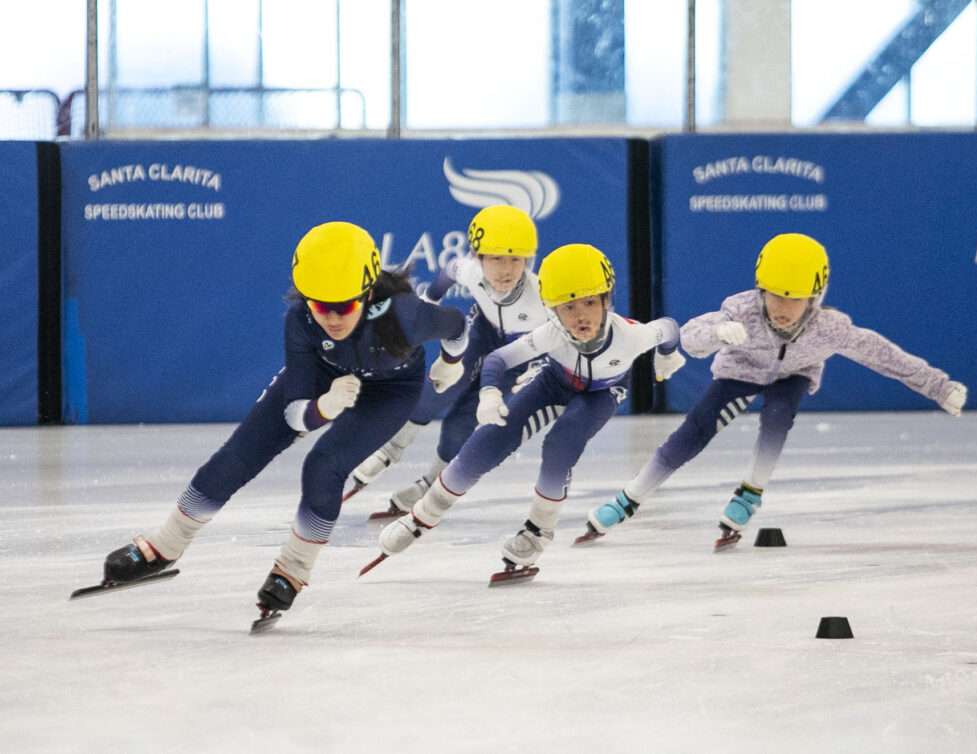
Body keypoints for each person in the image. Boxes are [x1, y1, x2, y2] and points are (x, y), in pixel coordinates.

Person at [96, 221, 468, 621]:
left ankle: (293, 570)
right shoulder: (301, 322)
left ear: (367, 293)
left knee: (324, 466)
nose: (332, 318)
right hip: (324, 374)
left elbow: (457, 327)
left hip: (390, 390)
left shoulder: (406, 316)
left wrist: (451, 363)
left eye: (344, 306)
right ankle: (166, 545)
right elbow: (295, 415)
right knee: (241, 452)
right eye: (319, 305)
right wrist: (324, 407)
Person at [583, 232, 969, 550]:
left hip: (794, 374)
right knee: (695, 429)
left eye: (794, 298)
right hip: (741, 371)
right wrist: (717, 333)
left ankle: (750, 493)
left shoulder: (829, 328)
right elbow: (691, 338)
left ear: (815, 297)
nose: (782, 307)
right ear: (760, 289)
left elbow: (885, 356)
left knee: (778, 416)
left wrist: (939, 387)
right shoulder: (741, 310)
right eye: (774, 295)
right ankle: (628, 498)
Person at [362, 242, 686, 578]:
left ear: (607, 300)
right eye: (568, 307)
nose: (581, 316)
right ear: (552, 310)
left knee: (561, 443)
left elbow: (668, 328)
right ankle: (423, 515)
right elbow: (498, 359)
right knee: (491, 436)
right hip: (555, 381)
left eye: (590, 302)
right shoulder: (551, 334)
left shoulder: (632, 337)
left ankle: (538, 530)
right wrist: (489, 393)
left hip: (602, 393)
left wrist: (667, 355)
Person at [347, 205, 550, 519]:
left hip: (519, 353)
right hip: (483, 331)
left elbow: (568, 335)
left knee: (461, 424)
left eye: (516, 259)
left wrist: (541, 367)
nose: (506, 270)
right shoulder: (470, 271)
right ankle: (391, 448)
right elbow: (448, 272)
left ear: (529, 261)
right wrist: (429, 302)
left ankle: (431, 482)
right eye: (496, 258)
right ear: (478, 258)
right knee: (441, 386)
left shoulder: (543, 297)